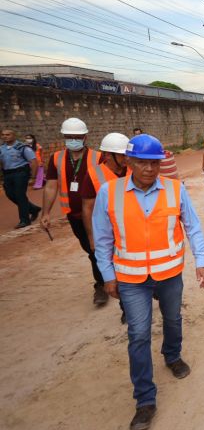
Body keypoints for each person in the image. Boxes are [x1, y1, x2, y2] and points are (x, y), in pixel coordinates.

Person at [92, 134, 204, 430]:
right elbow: (103, 239)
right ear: (128, 162)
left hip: (169, 273)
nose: (148, 168)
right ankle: (145, 399)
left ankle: (172, 355)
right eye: (141, 162)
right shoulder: (110, 192)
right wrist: (107, 275)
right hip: (131, 279)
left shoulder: (174, 189)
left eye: (154, 163)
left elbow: (193, 226)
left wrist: (202, 260)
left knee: (172, 318)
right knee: (139, 334)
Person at [40, 118, 106, 304]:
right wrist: (45, 213)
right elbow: (51, 186)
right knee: (91, 249)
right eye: (69, 137)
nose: (72, 140)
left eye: (76, 137)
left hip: (98, 214)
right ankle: (104, 281)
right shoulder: (56, 159)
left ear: (85, 137)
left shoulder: (98, 157)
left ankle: (104, 284)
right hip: (74, 215)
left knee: (100, 249)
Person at [79, 132, 129, 312]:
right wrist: (92, 238)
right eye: (123, 155)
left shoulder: (133, 169)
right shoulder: (93, 176)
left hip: (132, 229)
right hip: (111, 231)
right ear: (108, 155)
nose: (127, 158)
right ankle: (127, 308)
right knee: (121, 271)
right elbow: (88, 208)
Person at [1, 128, 41, 228]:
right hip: (7, 174)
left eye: (8, 134)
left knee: (20, 195)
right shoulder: (2, 148)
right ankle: (33, 209)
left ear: (14, 135)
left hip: (21, 173)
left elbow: (33, 162)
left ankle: (24, 220)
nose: (5, 136)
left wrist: (33, 177)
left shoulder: (22, 147)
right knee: (10, 194)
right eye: (3, 135)